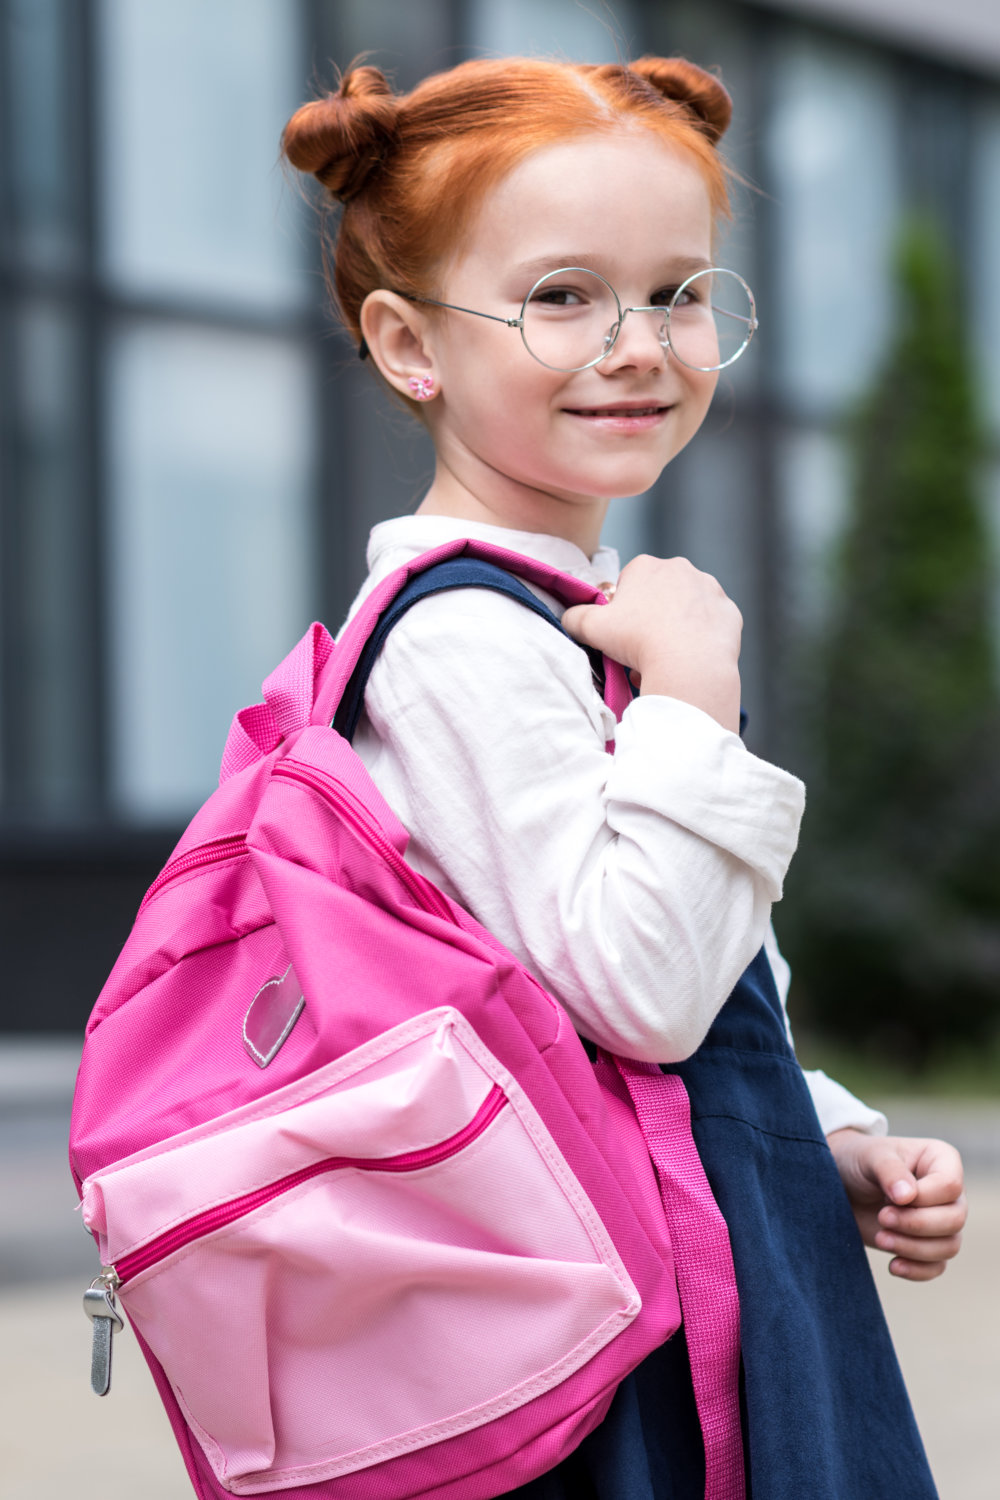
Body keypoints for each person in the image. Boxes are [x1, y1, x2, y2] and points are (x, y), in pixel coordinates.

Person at [282, 54, 967, 1498]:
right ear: (410, 345)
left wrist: (819, 1133)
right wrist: (696, 692)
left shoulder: (566, 614)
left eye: (678, 290)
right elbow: (638, 996)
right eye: (560, 296)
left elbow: (668, 998)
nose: (641, 342)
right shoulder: (464, 638)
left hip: (689, 1259)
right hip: (630, 1344)